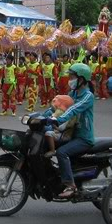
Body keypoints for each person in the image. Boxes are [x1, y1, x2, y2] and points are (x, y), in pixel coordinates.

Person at [44, 63, 96, 198]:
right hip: (70, 133)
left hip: (83, 138)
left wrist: (58, 120)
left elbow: (74, 109)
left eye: (72, 76)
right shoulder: (72, 93)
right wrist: (40, 116)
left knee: (61, 152)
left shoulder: (88, 96)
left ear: (82, 79)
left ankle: (70, 185)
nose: (70, 79)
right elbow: (59, 107)